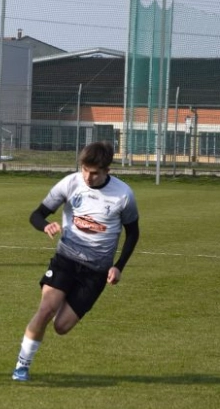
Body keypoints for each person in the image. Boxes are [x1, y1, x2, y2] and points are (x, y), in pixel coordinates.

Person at [11, 141, 140, 382]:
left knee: (61, 327)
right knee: (45, 310)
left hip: (96, 272)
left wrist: (118, 266)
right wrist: (45, 225)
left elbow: (133, 232)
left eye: (94, 173)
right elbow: (36, 215)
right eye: (85, 170)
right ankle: (21, 367)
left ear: (107, 170)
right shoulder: (70, 183)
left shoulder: (123, 195)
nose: (88, 177)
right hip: (65, 261)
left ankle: (63, 298)